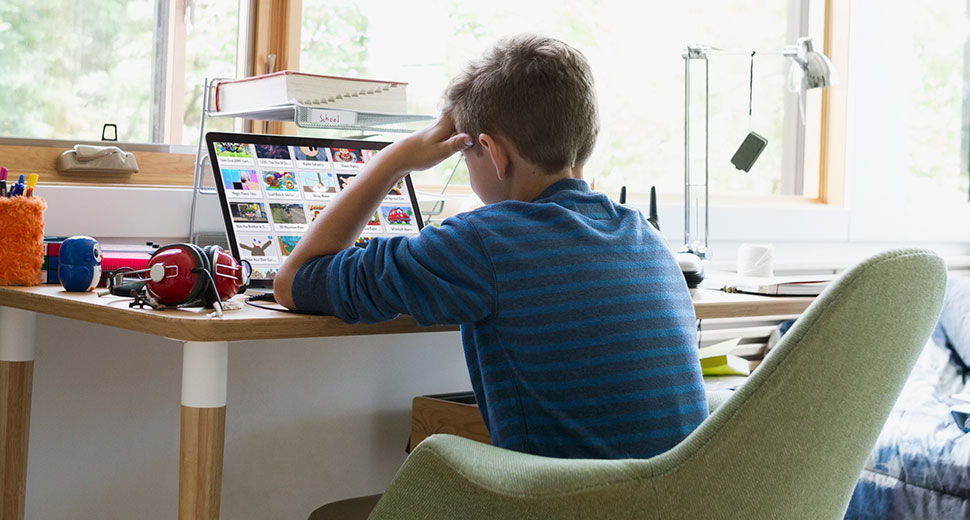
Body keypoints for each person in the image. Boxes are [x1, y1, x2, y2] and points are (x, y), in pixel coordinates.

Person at [275, 34, 707, 463]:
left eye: (465, 155)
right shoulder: (644, 236)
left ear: (493, 153)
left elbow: (294, 281)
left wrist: (398, 158)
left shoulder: (483, 243)